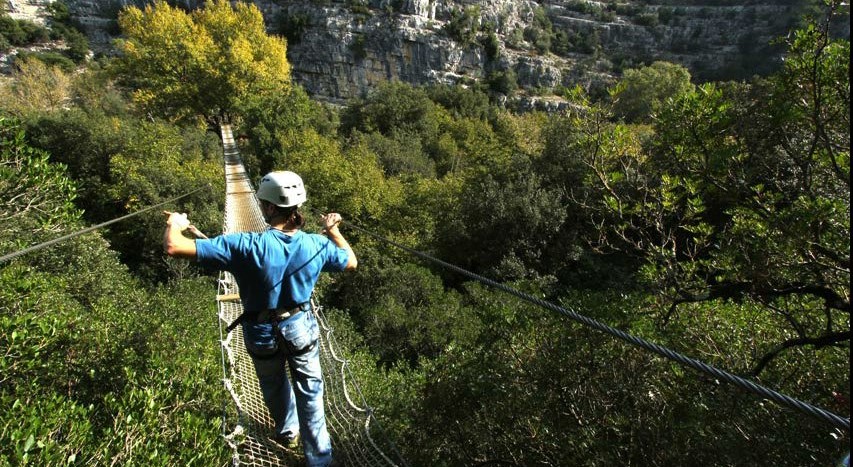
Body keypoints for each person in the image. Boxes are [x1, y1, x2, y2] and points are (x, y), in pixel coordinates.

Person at [163, 170, 356, 467]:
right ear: (298, 207)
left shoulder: (242, 245)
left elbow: (174, 246)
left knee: (273, 383)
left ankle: (288, 430)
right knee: (311, 391)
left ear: (267, 207)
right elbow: (351, 262)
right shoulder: (316, 245)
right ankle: (319, 459)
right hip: (300, 325)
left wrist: (175, 224)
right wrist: (333, 230)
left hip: (260, 329)